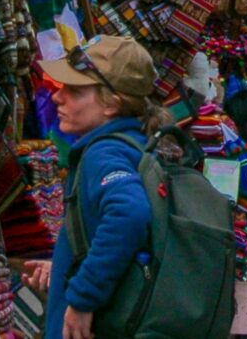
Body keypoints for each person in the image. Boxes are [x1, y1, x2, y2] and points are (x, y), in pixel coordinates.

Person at [37, 33, 159, 339]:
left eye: (75, 90)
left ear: (111, 105)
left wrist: (83, 298)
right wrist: (65, 267)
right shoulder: (139, 145)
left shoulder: (103, 154)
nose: (56, 97)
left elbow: (129, 213)